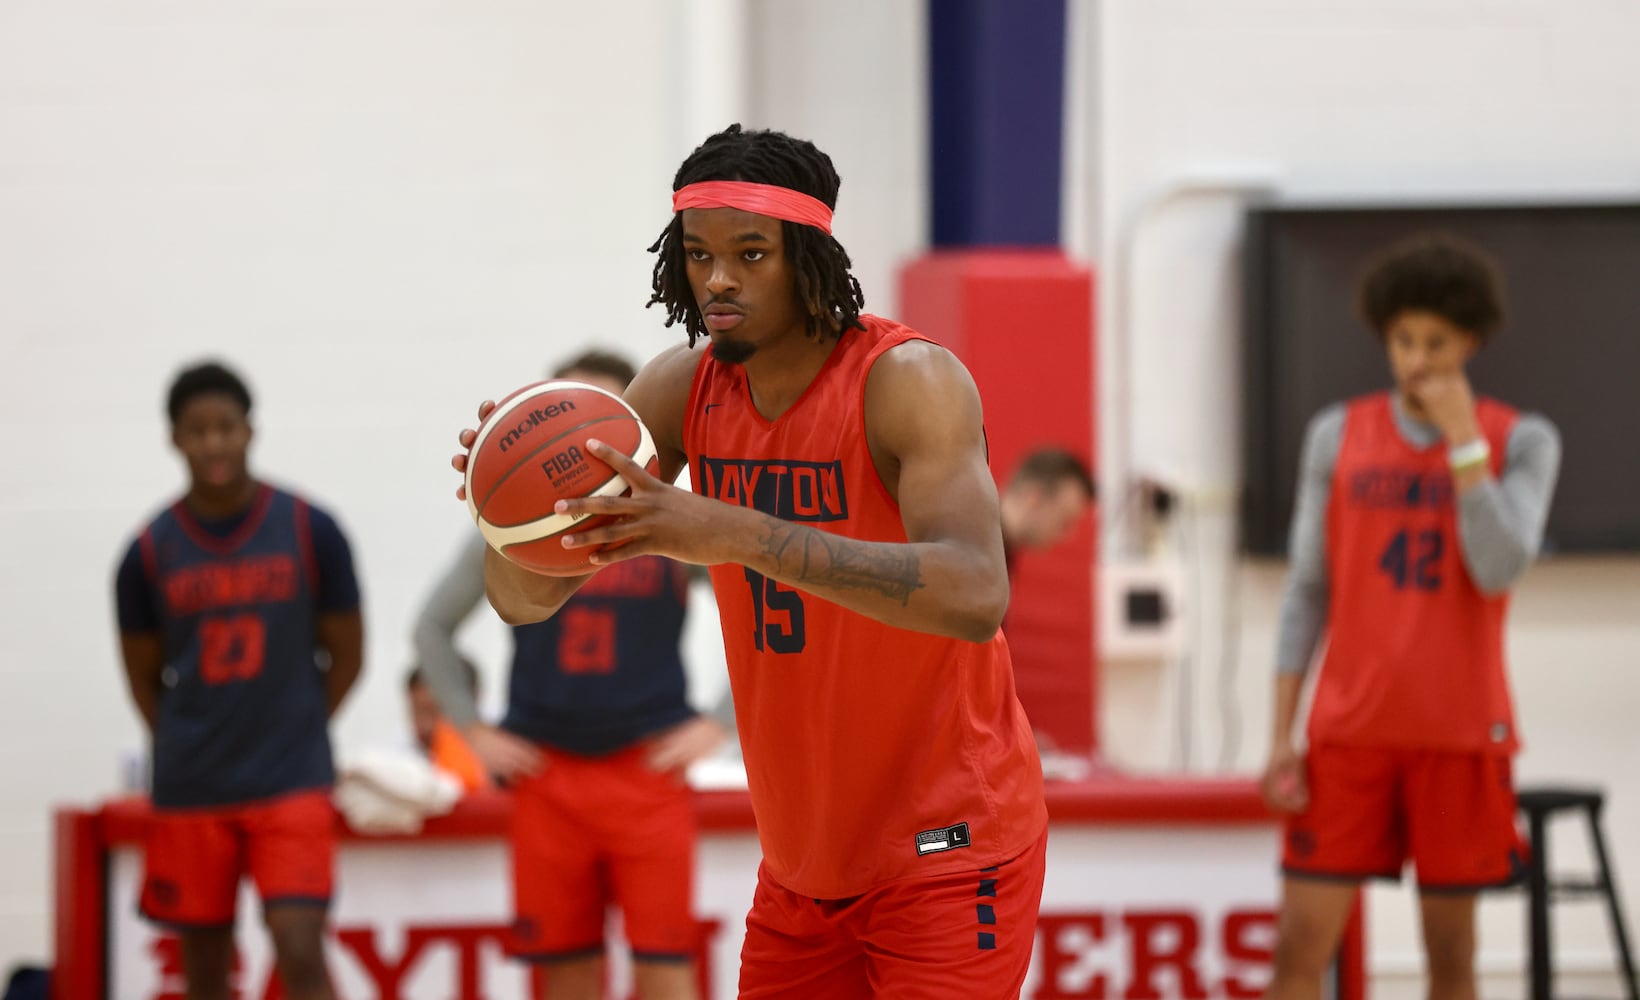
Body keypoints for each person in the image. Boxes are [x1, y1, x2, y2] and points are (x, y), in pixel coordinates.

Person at [451, 124, 1048, 998]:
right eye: (698, 255)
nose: (718, 279)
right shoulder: (680, 389)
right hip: (805, 867)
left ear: (807, 254)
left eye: (750, 253)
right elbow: (525, 601)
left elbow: (975, 591)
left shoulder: (908, 381)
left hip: (946, 845)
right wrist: (506, 513)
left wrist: (731, 532)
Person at [1259, 234, 1561, 1000]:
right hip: (1348, 733)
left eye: (1435, 341)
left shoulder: (1520, 439)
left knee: (1451, 953)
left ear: (1470, 340)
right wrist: (1279, 735)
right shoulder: (1338, 433)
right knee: (1298, 945)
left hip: (1459, 735)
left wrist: (1463, 444)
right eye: (1402, 340)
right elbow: (1306, 591)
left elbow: (1500, 566)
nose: (1417, 358)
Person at [418, 349, 725, 1000]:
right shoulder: (516, 529)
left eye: (600, 411)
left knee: (668, 970)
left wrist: (723, 723)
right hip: (547, 772)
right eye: (569, 411)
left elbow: (759, 599)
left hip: (649, 769)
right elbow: (431, 629)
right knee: (564, 976)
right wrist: (472, 729)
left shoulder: (668, 516)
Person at [114, 361, 364, 1000]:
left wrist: (296, 721)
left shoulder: (312, 528)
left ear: (250, 431)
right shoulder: (146, 551)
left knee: (301, 952)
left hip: (290, 779)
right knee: (205, 974)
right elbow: (144, 679)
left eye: (225, 427)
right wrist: (187, 738)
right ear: (174, 439)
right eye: (197, 431)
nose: (213, 443)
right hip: (194, 786)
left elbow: (349, 656)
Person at [998, 446, 1095, 575]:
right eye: (1064, 521)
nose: (1068, 535)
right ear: (1033, 499)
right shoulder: (976, 550)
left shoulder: (999, 552)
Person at [405, 659, 492, 793]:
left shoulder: (506, 765)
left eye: (435, 712)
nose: (425, 726)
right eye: (417, 712)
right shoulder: (396, 764)